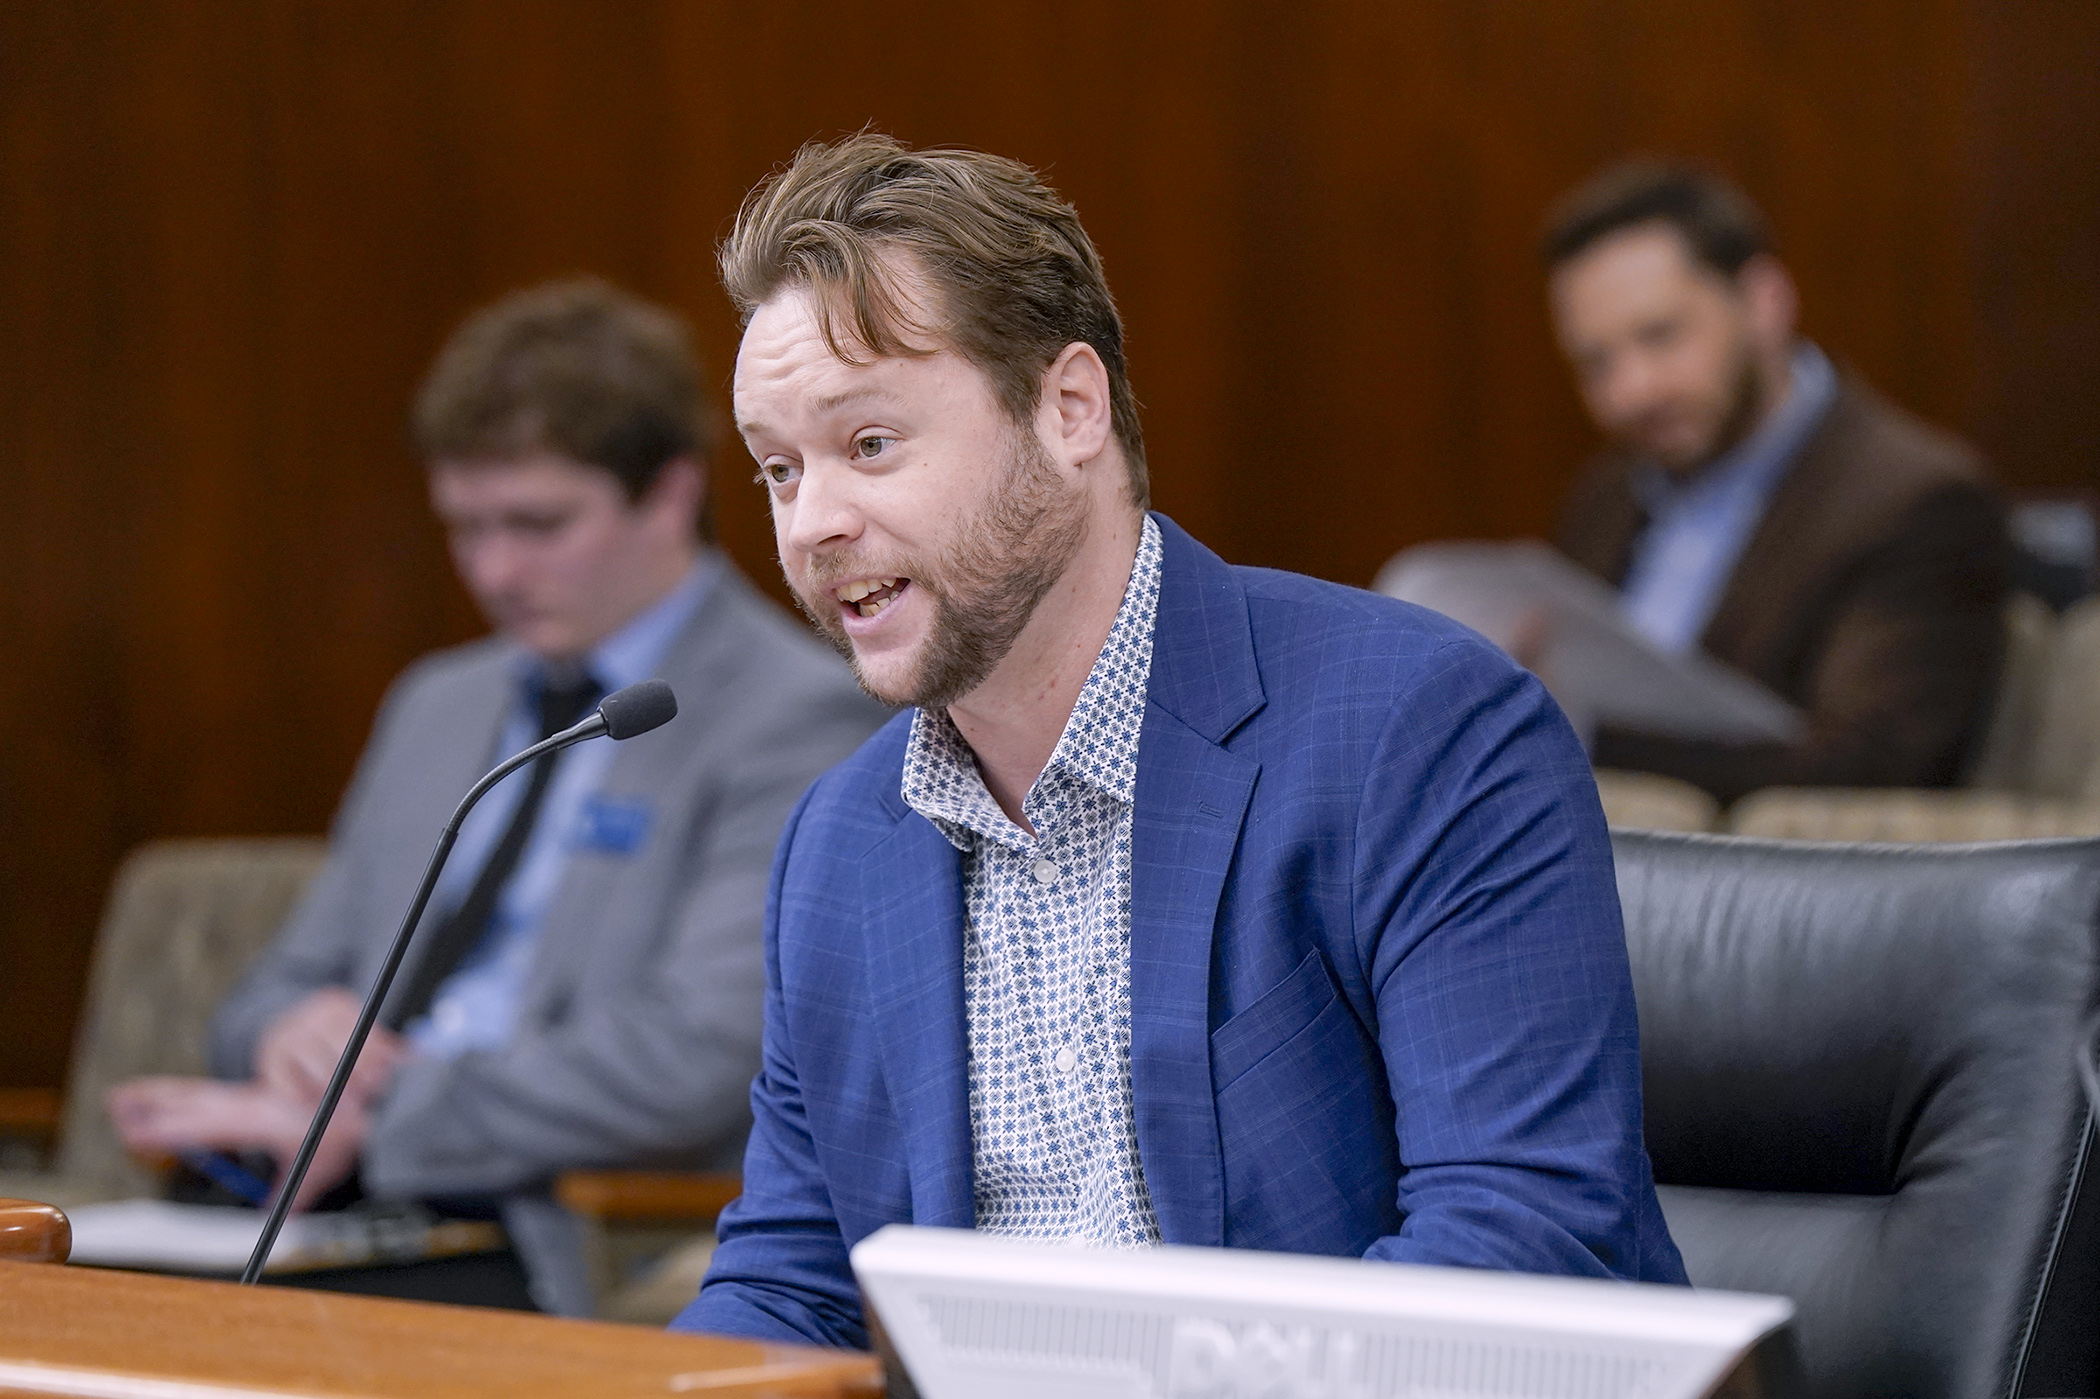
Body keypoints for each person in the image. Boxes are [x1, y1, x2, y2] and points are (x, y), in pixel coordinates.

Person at [673, 135, 1685, 1349]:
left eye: (870, 444)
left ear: (1069, 408)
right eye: (779, 470)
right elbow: (792, 1286)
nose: (815, 523)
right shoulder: (836, 846)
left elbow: (1519, 1250)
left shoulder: (1421, 733)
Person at [107, 279, 888, 1311]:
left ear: (671, 494)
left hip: (545, 1230)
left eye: (537, 522)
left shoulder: (804, 714)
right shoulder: (438, 702)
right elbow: (270, 988)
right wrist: (291, 1035)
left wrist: (379, 1109)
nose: (495, 567)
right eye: (465, 527)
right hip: (311, 1199)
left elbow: (703, 1055)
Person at [1546, 162, 2005, 803]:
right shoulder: (1608, 493)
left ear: (1763, 301)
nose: (1631, 391)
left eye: (1661, 335)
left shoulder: (1914, 499)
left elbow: (1871, 764)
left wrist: (1568, 739)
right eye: (1595, 362)